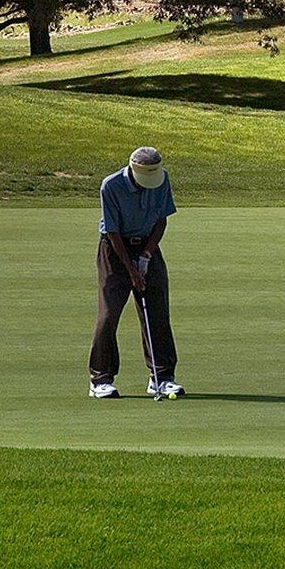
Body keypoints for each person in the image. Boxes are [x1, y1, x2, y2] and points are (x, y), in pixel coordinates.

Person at [89, 146, 184, 398]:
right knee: (108, 315)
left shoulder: (161, 180)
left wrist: (145, 256)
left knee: (158, 312)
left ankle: (161, 377)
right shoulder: (111, 186)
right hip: (114, 249)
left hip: (147, 245)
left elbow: (161, 220)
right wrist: (131, 269)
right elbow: (112, 230)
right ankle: (100, 379)